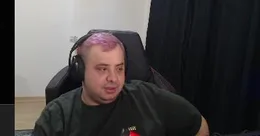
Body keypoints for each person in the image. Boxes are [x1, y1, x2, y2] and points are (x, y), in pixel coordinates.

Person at [32, 32, 209, 136]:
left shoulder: (148, 96)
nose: (114, 78)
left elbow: (199, 124)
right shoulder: (57, 117)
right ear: (79, 71)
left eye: (119, 68)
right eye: (102, 69)